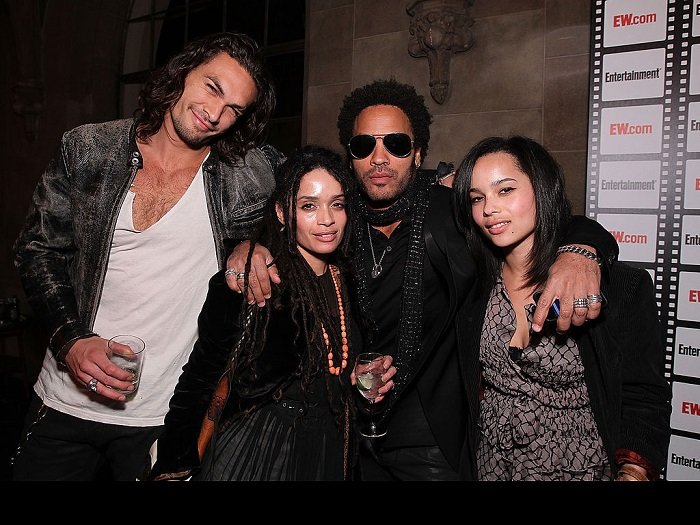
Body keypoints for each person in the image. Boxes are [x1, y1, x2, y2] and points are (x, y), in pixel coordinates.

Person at [227, 79, 619, 480]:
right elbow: (288, 223)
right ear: (351, 158)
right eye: (364, 146)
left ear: (418, 154)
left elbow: (539, 218)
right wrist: (249, 246)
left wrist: (581, 251)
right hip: (353, 431)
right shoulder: (337, 222)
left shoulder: (452, 211)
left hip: (433, 437)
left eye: (396, 144)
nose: (379, 158)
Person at [11, 32, 283, 481]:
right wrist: (71, 340)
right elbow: (37, 249)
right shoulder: (88, 149)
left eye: (234, 109)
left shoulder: (247, 175)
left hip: (161, 415)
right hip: (64, 401)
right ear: (182, 73)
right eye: (212, 87)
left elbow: (316, 191)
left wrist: (250, 244)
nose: (215, 114)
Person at [149, 145, 396, 481]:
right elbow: (200, 376)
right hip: (260, 450)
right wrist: (174, 459)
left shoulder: (347, 279)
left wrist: (360, 379)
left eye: (337, 204)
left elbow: (334, 365)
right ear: (282, 212)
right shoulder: (256, 280)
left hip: (330, 445)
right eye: (308, 206)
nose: (327, 219)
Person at [453, 135, 671, 480]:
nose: (489, 209)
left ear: (542, 188)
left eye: (505, 190)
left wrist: (634, 469)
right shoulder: (471, 282)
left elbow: (644, 394)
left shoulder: (618, 287)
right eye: (477, 198)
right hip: (492, 468)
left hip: (581, 469)